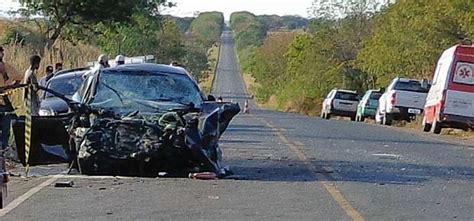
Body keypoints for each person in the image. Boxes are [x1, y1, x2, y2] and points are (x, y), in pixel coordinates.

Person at [0, 46, 22, 150]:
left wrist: (11, 87)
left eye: (1, 53)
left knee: (6, 131)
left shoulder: (8, 67)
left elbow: (18, 78)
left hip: (4, 103)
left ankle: (3, 150)